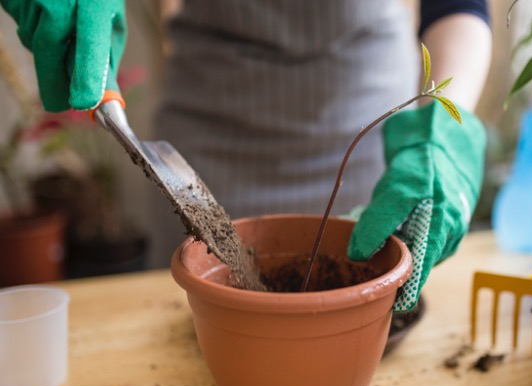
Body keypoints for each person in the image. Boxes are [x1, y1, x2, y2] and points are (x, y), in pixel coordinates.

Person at [1, 0, 491, 311]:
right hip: (211, 119)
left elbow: (459, 6)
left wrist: (439, 129)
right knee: (191, 319)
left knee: (355, 285)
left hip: (364, 113)